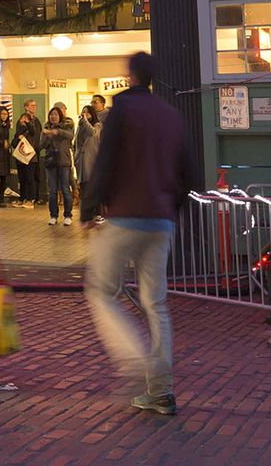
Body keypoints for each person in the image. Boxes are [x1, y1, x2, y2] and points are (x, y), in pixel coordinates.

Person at [82, 52, 198, 417]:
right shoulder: (171, 115)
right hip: (160, 220)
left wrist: (89, 208)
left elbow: (106, 161)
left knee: (101, 289)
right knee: (156, 304)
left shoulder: (121, 113)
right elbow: (191, 175)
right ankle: (161, 389)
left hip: (125, 215)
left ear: (129, 76)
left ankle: (133, 358)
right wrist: (171, 207)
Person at [40, 104, 76, 225]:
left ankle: (68, 215)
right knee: (52, 190)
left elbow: (70, 136)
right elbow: (41, 145)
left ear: (60, 116)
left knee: (65, 189)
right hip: (50, 162)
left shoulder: (68, 126)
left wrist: (57, 131)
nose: (53, 117)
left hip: (64, 162)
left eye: (55, 115)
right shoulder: (46, 127)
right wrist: (46, 135)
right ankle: (53, 215)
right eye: (51, 115)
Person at [12, 112, 39, 208]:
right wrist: (18, 138)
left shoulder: (31, 130)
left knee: (30, 179)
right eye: (21, 118)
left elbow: (32, 130)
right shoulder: (18, 131)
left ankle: (31, 199)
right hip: (20, 159)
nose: (23, 120)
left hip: (30, 159)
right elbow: (13, 144)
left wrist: (27, 123)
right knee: (22, 180)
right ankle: (21, 198)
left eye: (25, 118)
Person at [75, 104, 102, 194]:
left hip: (91, 159)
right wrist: (75, 154)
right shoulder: (81, 126)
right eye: (83, 111)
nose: (84, 114)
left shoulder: (97, 125)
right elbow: (76, 141)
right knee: (83, 185)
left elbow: (93, 133)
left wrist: (85, 120)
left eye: (87, 112)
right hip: (80, 159)